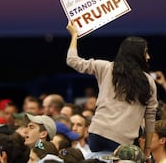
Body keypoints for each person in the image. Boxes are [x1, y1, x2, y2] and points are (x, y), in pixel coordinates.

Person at [65, 21, 158, 160]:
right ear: (138, 55)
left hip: (96, 135)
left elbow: (72, 60)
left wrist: (74, 35)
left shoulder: (105, 67)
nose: (148, 56)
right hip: (123, 142)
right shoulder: (149, 81)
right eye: (145, 52)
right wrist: (147, 149)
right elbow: (150, 118)